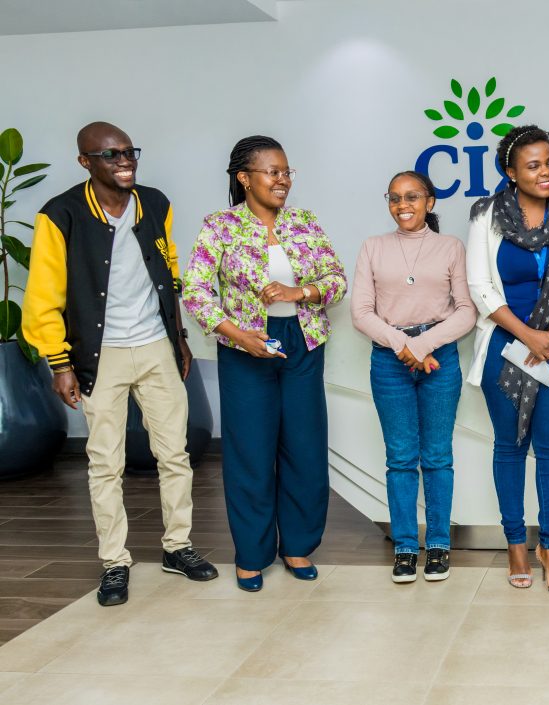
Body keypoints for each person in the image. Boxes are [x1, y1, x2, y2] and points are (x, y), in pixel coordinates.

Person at [22, 121, 218, 607]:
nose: (124, 160)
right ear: (85, 162)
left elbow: (167, 269)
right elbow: (43, 298)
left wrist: (180, 339)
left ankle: (178, 547)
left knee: (175, 454)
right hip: (98, 354)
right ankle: (115, 561)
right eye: (110, 155)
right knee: (104, 462)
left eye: (129, 151)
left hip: (155, 345)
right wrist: (60, 362)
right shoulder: (60, 215)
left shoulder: (155, 202)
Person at [182, 135, 346, 592]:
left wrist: (302, 292)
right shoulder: (219, 226)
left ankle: (297, 546)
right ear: (244, 177)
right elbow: (194, 291)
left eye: (287, 172)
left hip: (302, 343)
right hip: (245, 346)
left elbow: (336, 279)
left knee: (305, 449)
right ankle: (251, 554)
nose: (282, 180)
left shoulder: (305, 222)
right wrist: (237, 335)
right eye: (273, 172)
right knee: (250, 452)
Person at [466, 124, 549, 597]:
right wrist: (527, 337)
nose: (546, 173)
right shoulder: (486, 215)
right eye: (533, 165)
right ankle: (516, 545)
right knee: (509, 449)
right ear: (511, 172)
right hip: (505, 347)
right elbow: (480, 287)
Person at [351, 171, 475, 583]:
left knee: (438, 456)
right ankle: (405, 547)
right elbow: (361, 313)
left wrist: (421, 347)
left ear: (430, 202)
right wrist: (401, 346)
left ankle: (438, 544)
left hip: (439, 358)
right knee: (400, 458)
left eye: (412, 197)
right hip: (389, 363)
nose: (403, 205)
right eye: (394, 198)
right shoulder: (373, 247)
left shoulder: (451, 247)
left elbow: (466, 312)